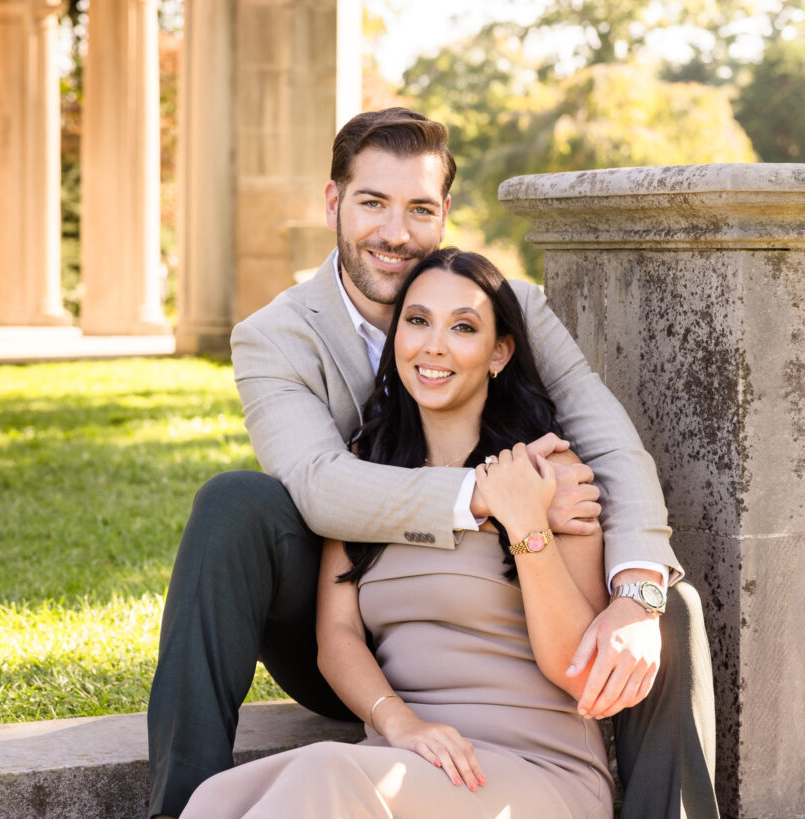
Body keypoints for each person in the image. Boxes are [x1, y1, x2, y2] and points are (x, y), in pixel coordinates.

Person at [147, 108, 718, 819]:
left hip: (521, 698)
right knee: (234, 504)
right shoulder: (276, 337)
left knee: (670, 610)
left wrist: (635, 591)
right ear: (334, 203)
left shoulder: (515, 313)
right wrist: (491, 494)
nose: (395, 232)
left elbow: (611, 444)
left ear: (444, 213)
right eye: (372, 203)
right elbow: (324, 491)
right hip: (354, 624)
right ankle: (175, 801)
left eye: (418, 208)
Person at [180, 248, 615, 817]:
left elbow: (577, 673)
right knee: (221, 797)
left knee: (324, 771)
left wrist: (527, 522)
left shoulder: (551, 476)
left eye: (463, 327)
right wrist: (400, 723)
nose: (434, 345)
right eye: (417, 321)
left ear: (499, 353)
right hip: (408, 751)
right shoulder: (366, 469)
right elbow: (337, 636)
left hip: (536, 768)